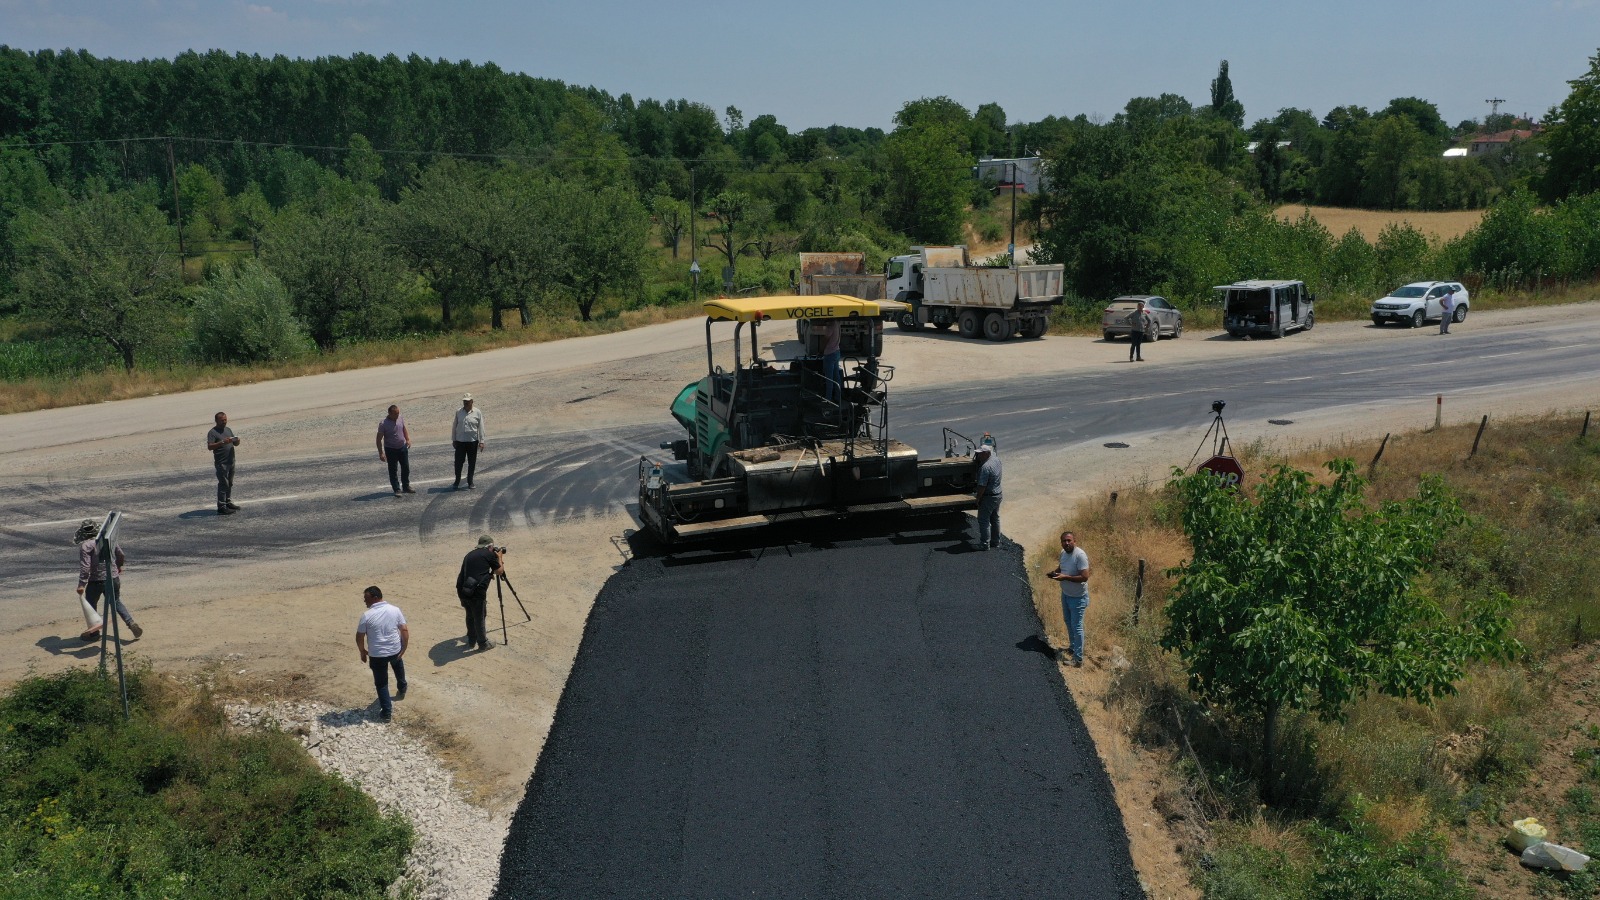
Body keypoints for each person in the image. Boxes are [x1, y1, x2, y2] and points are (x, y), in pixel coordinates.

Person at [75, 518, 141, 641]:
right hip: (113, 577)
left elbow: (85, 567)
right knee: (116, 602)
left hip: (96, 581)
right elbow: (120, 554)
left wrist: (81, 584)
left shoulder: (86, 546)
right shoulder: (108, 540)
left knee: (90, 605)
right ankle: (130, 622)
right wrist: (118, 567)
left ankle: (94, 634)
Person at [356, 585, 408, 722]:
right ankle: (402, 687)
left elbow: (360, 636)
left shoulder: (366, 616)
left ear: (375, 597)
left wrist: (362, 651)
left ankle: (386, 713)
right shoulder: (395, 610)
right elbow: (404, 629)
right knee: (398, 667)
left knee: (381, 684)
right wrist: (404, 647)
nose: (364, 601)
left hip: (377, 654)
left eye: (366, 598)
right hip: (394, 649)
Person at [1048, 531, 1092, 667]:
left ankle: (1078, 659)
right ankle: (1072, 647)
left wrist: (1065, 577)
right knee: (1068, 621)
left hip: (1078, 597)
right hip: (1066, 594)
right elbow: (1061, 567)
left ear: (1074, 541)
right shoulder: (1063, 553)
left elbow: (1085, 577)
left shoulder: (1080, 555)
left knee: (1077, 626)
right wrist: (1055, 573)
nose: (1066, 543)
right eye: (1064, 541)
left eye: (1069, 540)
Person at [456, 535, 505, 651]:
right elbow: (499, 571)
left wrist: (487, 576)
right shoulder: (488, 554)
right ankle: (483, 643)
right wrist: (499, 557)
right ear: (490, 546)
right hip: (476, 591)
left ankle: (471, 640)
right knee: (479, 616)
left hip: (463, 589)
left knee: (470, 614)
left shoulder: (470, 554)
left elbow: (476, 570)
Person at [206, 411, 242, 514]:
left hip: (231, 461)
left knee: (229, 483)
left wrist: (237, 441)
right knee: (223, 484)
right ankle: (221, 506)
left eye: (225, 420)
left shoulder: (228, 429)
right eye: (222, 420)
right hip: (221, 463)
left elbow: (235, 444)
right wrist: (222, 442)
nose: (224, 422)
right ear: (216, 421)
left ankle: (227, 502)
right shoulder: (212, 432)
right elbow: (210, 447)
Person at [377, 405, 414, 497]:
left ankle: (406, 486)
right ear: (390, 413)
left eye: (398, 413)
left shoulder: (400, 418)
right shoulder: (383, 424)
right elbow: (378, 439)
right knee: (393, 470)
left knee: (406, 468)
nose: (397, 415)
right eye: (395, 414)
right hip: (391, 449)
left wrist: (407, 439)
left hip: (402, 447)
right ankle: (397, 489)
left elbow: (403, 428)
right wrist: (381, 453)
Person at [452, 394, 485, 490]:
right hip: (460, 442)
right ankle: (457, 481)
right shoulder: (458, 412)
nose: (466, 403)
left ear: (472, 401)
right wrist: (454, 439)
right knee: (458, 462)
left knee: (472, 462)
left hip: (472, 442)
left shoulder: (477, 412)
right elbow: (454, 426)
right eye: (464, 401)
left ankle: (470, 481)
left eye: (467, 401)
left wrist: (482, 441)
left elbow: (481, 427)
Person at [973, 442, 1002, 549]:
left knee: (983, 520)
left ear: (986, 453)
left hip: (988, 497)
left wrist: (978, 498)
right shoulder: (996, 460)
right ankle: (996, 541)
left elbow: (982, 486)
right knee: (995, 519)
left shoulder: (985, 467)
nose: (978, 456)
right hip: (998, 494)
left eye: (980, 454)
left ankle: (984, 544)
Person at [821, 319, 843, 404]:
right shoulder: (837, 323)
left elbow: (826, 339)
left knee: (829, 378)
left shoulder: (830, 326)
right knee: (836, 376)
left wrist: (821, 350)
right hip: (836, 351)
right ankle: (838, 396)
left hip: (829, 353)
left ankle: (828, 398)